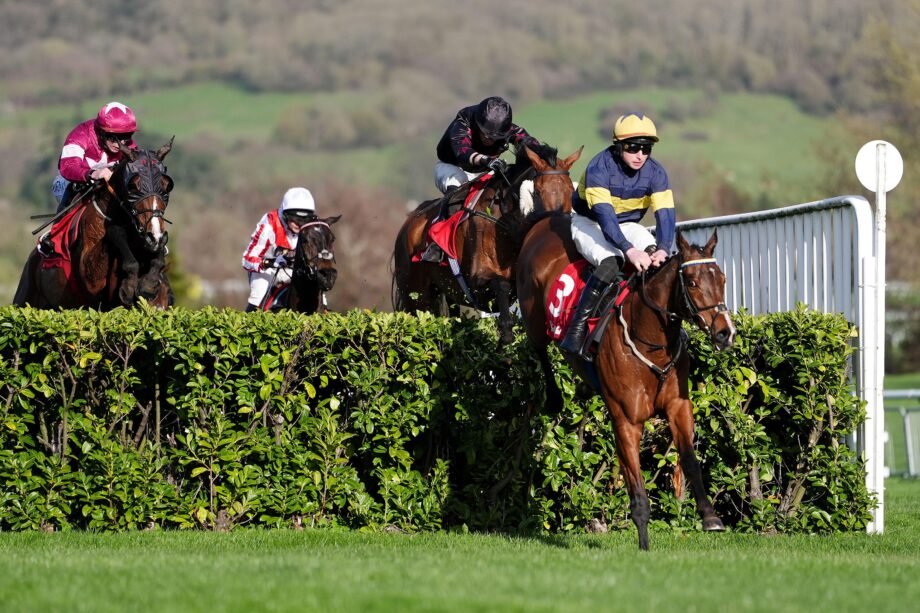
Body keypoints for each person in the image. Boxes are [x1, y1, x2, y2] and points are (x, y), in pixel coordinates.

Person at [558, 113, 676, 360]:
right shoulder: (598, 167)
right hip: (590, 222)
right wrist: (629, 250)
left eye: (646, 148)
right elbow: (606, 219)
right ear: (618, 145)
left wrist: (664, 248)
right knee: (612, 261)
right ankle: (576, 333)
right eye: (633, 147)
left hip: (627, 223)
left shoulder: (656, 172)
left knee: (659, 259)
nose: (640, 155)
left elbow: (665, 215)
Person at [422, 96, 543, 262]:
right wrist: (486, 160)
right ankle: (437, 243)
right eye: (485, 133)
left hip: (485, 170)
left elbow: (529, 142)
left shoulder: (508, 130)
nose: (488, 139)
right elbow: (463, 152)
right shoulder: (463, 121)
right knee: (458, 188)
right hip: (452, 167)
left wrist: (544, 155)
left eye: (494, 137)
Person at [39, 101, 139, 256]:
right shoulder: (81, 134)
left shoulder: (129, 145)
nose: (121, 143)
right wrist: (92, 174)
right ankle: (55, 235)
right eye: (114, 138)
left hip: (104, 186)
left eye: (126, 137)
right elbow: (67, 166)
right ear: (102, 132)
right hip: (71, 180)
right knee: (73, 191)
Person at [241, 187, 318, 312]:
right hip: (266, 270)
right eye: (295, 219)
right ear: (286, 215)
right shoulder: (269, 225)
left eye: (305, 220)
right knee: (259, 295)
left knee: (316, 288)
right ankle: (245, 327)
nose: (300, 224)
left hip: (293, 269)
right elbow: (246, 259)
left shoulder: (311, 228)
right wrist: (271, 262)